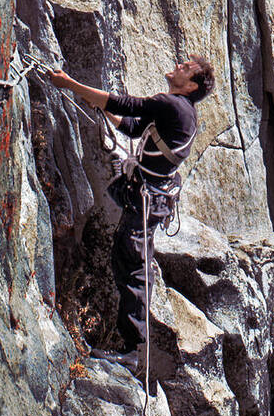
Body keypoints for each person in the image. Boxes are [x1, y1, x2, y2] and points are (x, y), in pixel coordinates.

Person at [48, 56, 215, 366]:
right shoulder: (180, 110)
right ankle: (131, 345)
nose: (178, 64)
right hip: (150, 198)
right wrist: (102, 108)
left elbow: (127, 105)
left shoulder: (173, 105)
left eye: (186, 68)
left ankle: (133, 351)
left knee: (134, 265)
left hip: (146, 200)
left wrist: (69, 84)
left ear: (191, 85)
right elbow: (134, 127)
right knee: (128, 260)